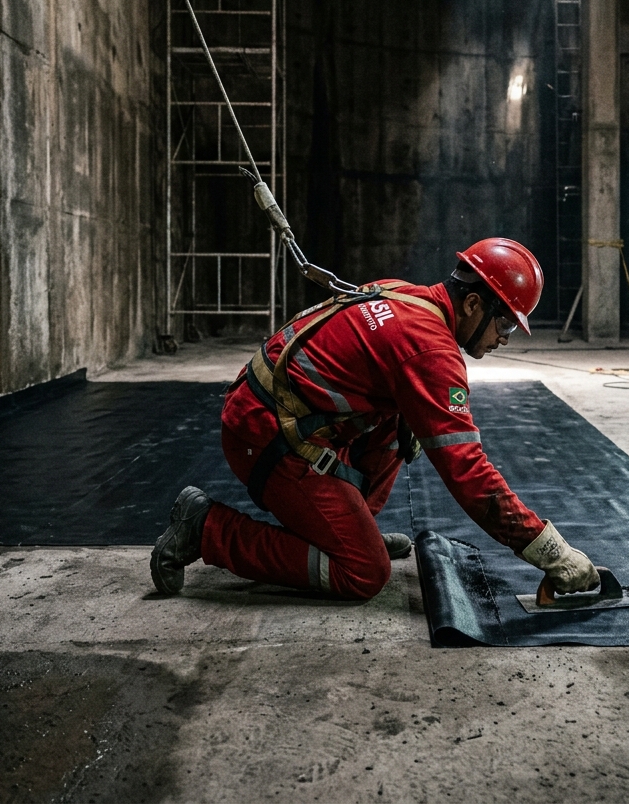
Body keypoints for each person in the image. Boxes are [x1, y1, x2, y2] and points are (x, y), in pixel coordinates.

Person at [150, 237, 599, 600]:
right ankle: (206, 528)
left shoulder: (405, 293)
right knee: (363, 573)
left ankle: (348, 527)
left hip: (267, 409)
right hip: (262, 434)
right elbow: (468, 475)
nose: (504, 339)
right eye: (504, 326)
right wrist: (550, 551)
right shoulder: (430, 350)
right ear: (472, 305)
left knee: (404, 423)